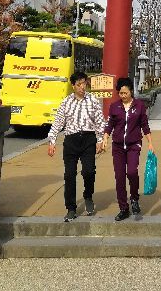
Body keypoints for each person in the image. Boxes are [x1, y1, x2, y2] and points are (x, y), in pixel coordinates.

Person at [47, 70, 106, 222]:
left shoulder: (93, 100)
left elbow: (100, 121)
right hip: (71, 141)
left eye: (84, 83)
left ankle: (88, 196)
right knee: (69, 175)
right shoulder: (66, 102)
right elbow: (58, 122)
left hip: (88, 140)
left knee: (88, 171)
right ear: (73, 86)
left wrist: (100, 140)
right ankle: (71, 208)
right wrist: (52, 141)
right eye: (78, 84)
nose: (82, 87)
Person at [102, 77, 154, 220]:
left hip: (134, 145)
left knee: (131, 172)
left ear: (131, 91)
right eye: (120, 93)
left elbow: (145, 125)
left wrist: (150, 142)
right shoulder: (114, 106)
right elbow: (109, 124)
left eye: (125, 93)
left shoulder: (139, 106)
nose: (123, 96)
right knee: (119, 177)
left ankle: (134, 198)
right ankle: (123, 208)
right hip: (118, 146)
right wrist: (105, 137)